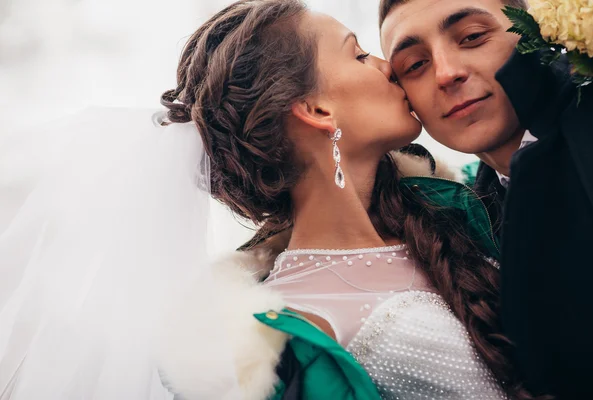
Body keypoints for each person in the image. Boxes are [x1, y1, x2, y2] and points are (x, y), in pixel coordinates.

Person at [0, 1, 521, 399]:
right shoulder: (280, 337)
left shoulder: (455, 204)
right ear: (316, 109)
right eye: (359, 53)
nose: (388, 65)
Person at [379, 0, 593, 398]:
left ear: (536, 31)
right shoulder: (466, 224)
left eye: (473, 37)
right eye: (415, 65)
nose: (446, 74)